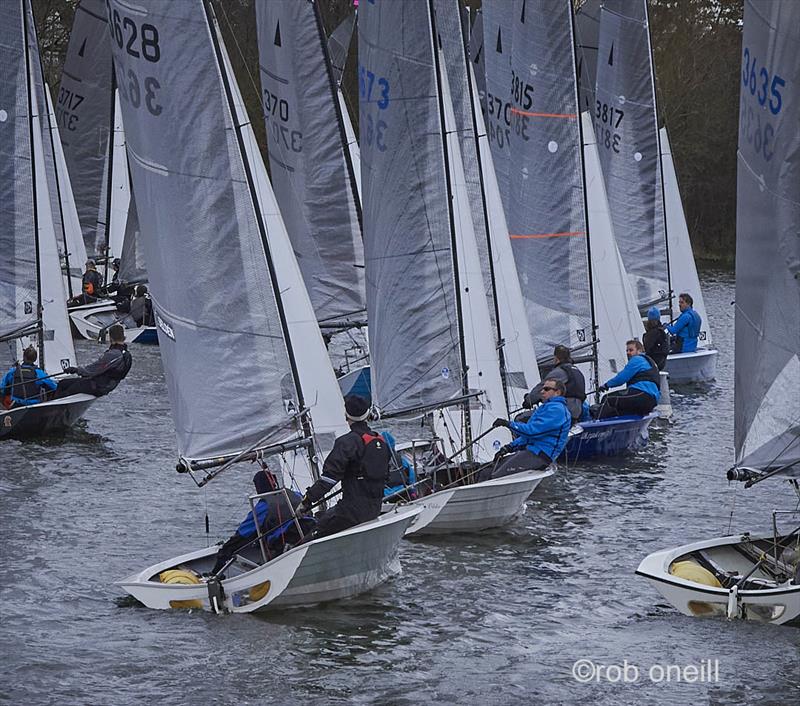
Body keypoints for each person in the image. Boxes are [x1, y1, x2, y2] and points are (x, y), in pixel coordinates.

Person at [297, 395, 389, 540]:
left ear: (346, 416)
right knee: (325, 516)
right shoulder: (381, 441)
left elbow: (328, 479)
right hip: (374, 509)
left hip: (350, 513)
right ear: (367, 415)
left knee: (311, 535)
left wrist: (307, 500)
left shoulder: (346, 442)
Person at [210, 468, 308, 575]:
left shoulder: (264, 507)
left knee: (244, 540)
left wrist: (222, 557)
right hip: (309, 533)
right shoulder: (297, 495)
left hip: (288, 545)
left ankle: (215, 574)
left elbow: (241, 535)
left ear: (259, 487)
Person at [487, 378, 572, 478]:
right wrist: (509, 447)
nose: (542, 391)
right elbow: (528, 437)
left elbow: (531, 432)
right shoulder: (546, 407)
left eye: (546, 389)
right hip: (531, 452)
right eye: (542, 388)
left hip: (540, 456)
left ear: (557, 392)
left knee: (495, 476)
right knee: (488, 469)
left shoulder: (558, 410)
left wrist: (508, 424)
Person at [53, 324, 132, 398]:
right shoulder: (126, 354)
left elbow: (93, 369)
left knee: (68, 391)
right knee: (63, 383)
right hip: (101, 384)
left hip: (99, 386)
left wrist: (76, 370)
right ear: (123, 337)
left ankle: (53, 409)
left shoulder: (114, 354)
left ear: (111, 338)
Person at [593, 339, 660, 419]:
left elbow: (621, 378)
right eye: (627, 351)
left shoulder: (637, 359)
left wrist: (606, 385)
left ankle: (596, 426)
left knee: (607, 399)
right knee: (619, 409)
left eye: (631, 350)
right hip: (652, 401)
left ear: (639, 351)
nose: (628, 353)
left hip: (642, 395)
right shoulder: (649, 362)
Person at [523, 345, 586, 422]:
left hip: (562, 411)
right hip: (577, 412)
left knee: (521, 418)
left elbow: (541, 389)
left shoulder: (559, 372)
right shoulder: (577, 371)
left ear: (556, 358)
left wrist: (529, 400)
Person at [643, 306, 669, 370]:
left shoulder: (651, 333)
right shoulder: (661, 331)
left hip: (654, 363)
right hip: (662, 362)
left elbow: (648, 348)